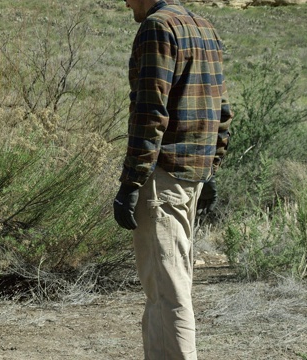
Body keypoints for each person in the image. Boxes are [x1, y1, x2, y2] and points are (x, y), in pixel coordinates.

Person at [113, 0, 233, 359]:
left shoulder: (157, 27)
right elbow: (222, 110)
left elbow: (150, 113)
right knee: (170, 289)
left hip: (161, 177)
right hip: (189, 176)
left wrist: (131, 182)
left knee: (168, 296)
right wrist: (211, 166)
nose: (125, 1)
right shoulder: (203, 28)